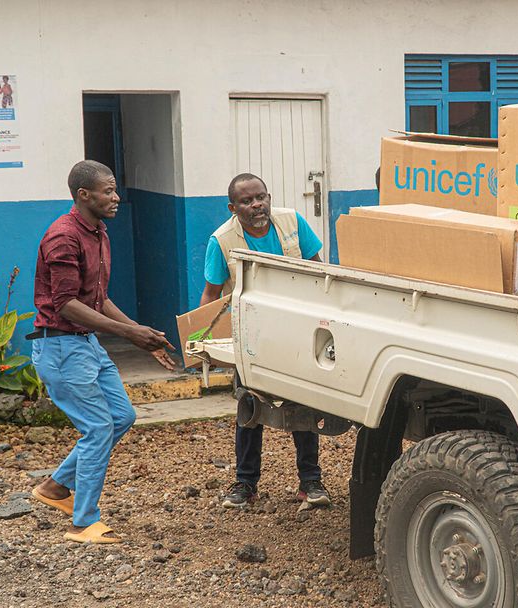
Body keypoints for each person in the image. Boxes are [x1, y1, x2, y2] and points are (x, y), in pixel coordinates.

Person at [29, 160, 178, 544]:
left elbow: (96, 298)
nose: (116, 197)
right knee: (97, 428)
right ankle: (83, 523)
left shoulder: (98, 232)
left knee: (121, 416)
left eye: (115, 190)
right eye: (108, 191)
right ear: (83, 195)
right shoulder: (62, 237)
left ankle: (55, 487)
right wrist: (130, 333)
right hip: (60, 346)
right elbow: (65, 304)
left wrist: (137, 334)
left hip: (85, 344)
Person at [200, 173, 331, 509]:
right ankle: (245, 484)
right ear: (233, 207)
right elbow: (212, 295)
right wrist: (204, 343)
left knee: (303, 404)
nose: (257, 205)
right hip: (251, 336)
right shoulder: (222, 241)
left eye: (261, 197)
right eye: (247, 201)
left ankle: (311, 482)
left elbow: (320, 271)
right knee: (249, 406)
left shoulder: (292, 222)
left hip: (298, 331)